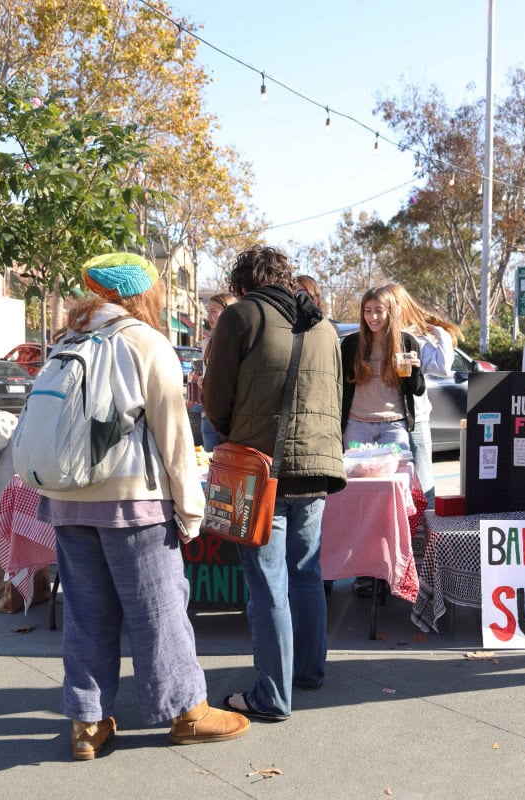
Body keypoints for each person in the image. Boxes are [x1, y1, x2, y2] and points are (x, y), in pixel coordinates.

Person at [35, 252, 249, 761]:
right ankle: (187, 713)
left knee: (86, 615)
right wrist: (191, 509)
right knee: (159, 612)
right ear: (142, 293)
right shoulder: (146, 342)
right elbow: (174, 436)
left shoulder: (67, 341)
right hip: (133, 502)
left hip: (67, 500)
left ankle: (87, 722)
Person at [203, 245, 346, 720]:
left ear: (244, 285)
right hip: (318, 466)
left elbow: (215, 400)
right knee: (306, 574)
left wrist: (233, 436)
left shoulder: (241, 315)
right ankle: (308, 671)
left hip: (260, 467)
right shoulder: (325, 325)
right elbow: (337, 397)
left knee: (267, 584)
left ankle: (271, 695)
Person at [383, 283, 461, 506]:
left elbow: (442, 367)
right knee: (389, 480)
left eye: (391, 306)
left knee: (422, 478)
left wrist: (440, 333)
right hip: (382, 420)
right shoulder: (377, 337)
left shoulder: (415, 338)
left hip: (415, 419)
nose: (386, 312)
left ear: (402, 306)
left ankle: (427, 524)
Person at [340, 286, 426, 449]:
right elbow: (340, 385)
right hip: (356, 425)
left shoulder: (406, 342)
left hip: (394, 425)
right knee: (357, 466)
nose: (372, 317)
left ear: (390, 311)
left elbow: (418, 389)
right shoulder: (352, 343)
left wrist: (415, 370)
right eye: (368, 311)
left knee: (397, 466)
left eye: (379, 311)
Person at [198, 292, 236, 452]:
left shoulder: (237, 342)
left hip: (231, 419)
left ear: (228, 311)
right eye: (208, 311)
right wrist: (203, 381)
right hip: (208, 415)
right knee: (209, 463)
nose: (208, 316)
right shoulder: (207, 343)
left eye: (213, 311)